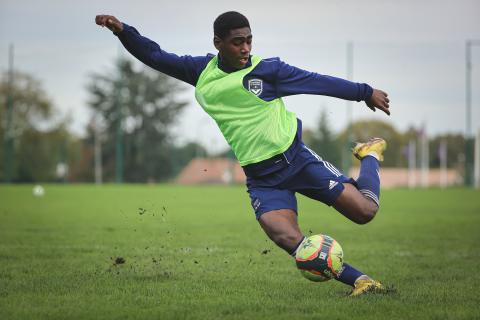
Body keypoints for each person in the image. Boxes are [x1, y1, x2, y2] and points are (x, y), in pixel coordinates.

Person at [95, 11, 390, 296]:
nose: (246, 48)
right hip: (263, 179)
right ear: (218, 43)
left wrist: (364, 92)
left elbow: (317, 81)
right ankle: (362, 281)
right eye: (238, 42)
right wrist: (123, 31)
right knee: (288, 238)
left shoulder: (268, 70)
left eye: (249, 40)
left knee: (364, 212)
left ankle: (370, 155)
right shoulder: (201, 72)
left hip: (298, 161)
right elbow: (156, 56)